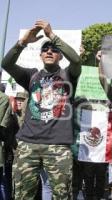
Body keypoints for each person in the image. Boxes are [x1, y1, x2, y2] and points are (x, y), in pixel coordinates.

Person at [1, 20, 81, 199]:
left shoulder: (68, 75)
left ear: (60, 55)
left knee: (62, 195)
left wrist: (51, 36)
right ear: (40, 55)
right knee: (22, 194)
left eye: (54, 50)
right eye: (45, 49)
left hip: (58, 146)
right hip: (27, 144)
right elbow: (6, 64)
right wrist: (22, 43)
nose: (49, 51)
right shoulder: (32, 75)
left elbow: (76, 60)